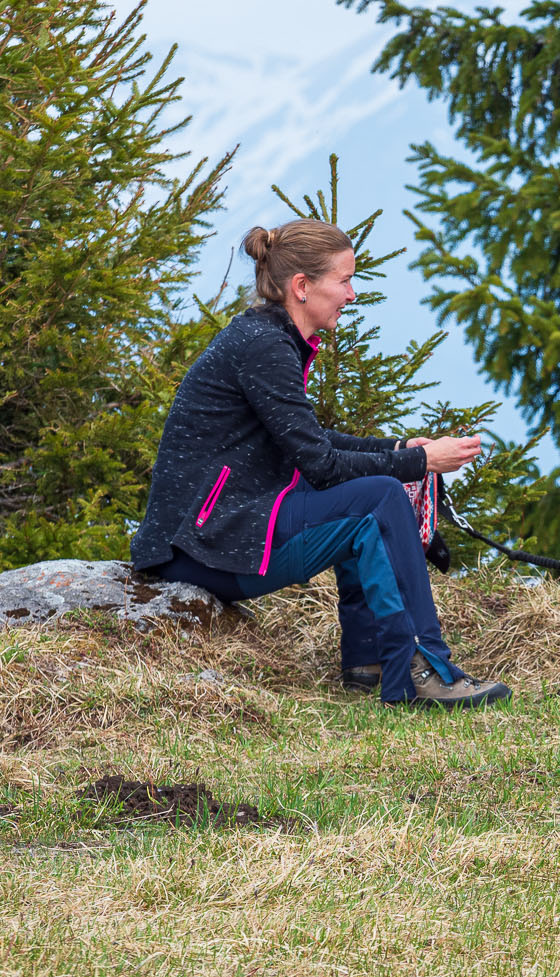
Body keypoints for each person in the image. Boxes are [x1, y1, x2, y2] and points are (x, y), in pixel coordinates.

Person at [131, 218, 510, 708]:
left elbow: (309, 440)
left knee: (369, 494)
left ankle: (369, 658)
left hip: (212, 534)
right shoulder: (265, 346)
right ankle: (421, 669)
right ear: (302, 287)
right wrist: (420, 462)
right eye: (345, 280)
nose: (352, 294)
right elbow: (323, 467)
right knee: (377, 498)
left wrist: (399, 450)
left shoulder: (268, 337)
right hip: (203, 548)